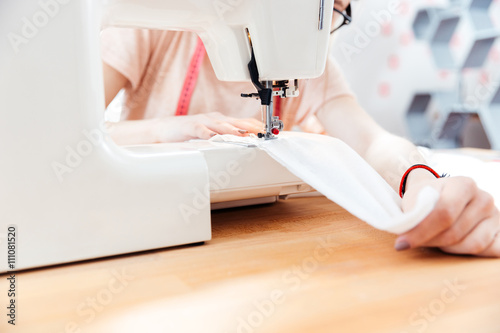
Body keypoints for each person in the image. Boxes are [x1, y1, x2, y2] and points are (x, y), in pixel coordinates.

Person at [100, 1, 499, 257]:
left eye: (332, 14)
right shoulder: (150, 28)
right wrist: (168, 130)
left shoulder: (309, 63)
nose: (320, 32)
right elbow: (68, 137)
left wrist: (421, 181)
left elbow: (372, 141)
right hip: (144, 234)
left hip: (256, 239)